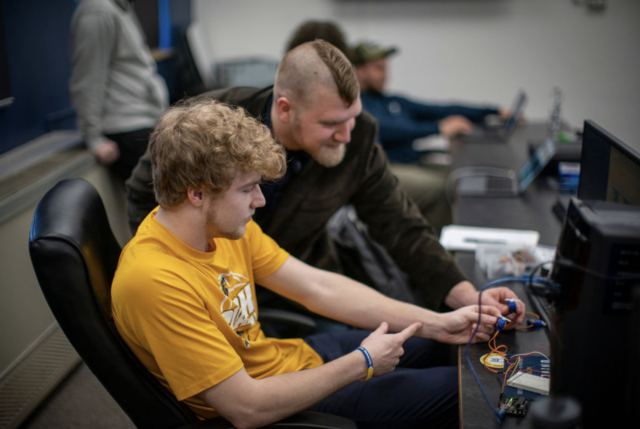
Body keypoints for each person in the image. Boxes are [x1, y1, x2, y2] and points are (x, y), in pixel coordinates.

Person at [112, 97, 505, 428]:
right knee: (476, 390)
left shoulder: (219, 229)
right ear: (196, 193)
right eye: (248, 189)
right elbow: (245, 408)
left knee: (449, 346)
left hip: (287, 361)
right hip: (281, 408)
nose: (259, 201)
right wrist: (363, 361)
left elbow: (319, 287)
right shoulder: (154, 280)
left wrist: (440, 322)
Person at [126, 40, 525, 323]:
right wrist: (180, 284)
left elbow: (400, 226)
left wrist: (467, 296)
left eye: (351, 117)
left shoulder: (360, 136)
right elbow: (144, 193)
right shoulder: (213, 123)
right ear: (285, 109)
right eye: (332, 123)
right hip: (210, 288)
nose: (347, 135)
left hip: (304, 281)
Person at [353, 39, 510, 165]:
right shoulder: (357, 106)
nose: (385, 75)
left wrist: (493, 111)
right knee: (448, 187)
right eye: (379, 68)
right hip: (392, 169)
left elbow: (440, 110)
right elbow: (387, 129)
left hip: (415, 162)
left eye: (386, 68)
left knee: (461, 174)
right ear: (359, 71)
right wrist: (438, 128)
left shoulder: (393, 101)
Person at [69, 0, 169, 181]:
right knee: (164, 202)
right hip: (126, 129)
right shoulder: (98, 11)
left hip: (144, 120)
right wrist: (93, 138)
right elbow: (88, 78)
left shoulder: (121, 7)